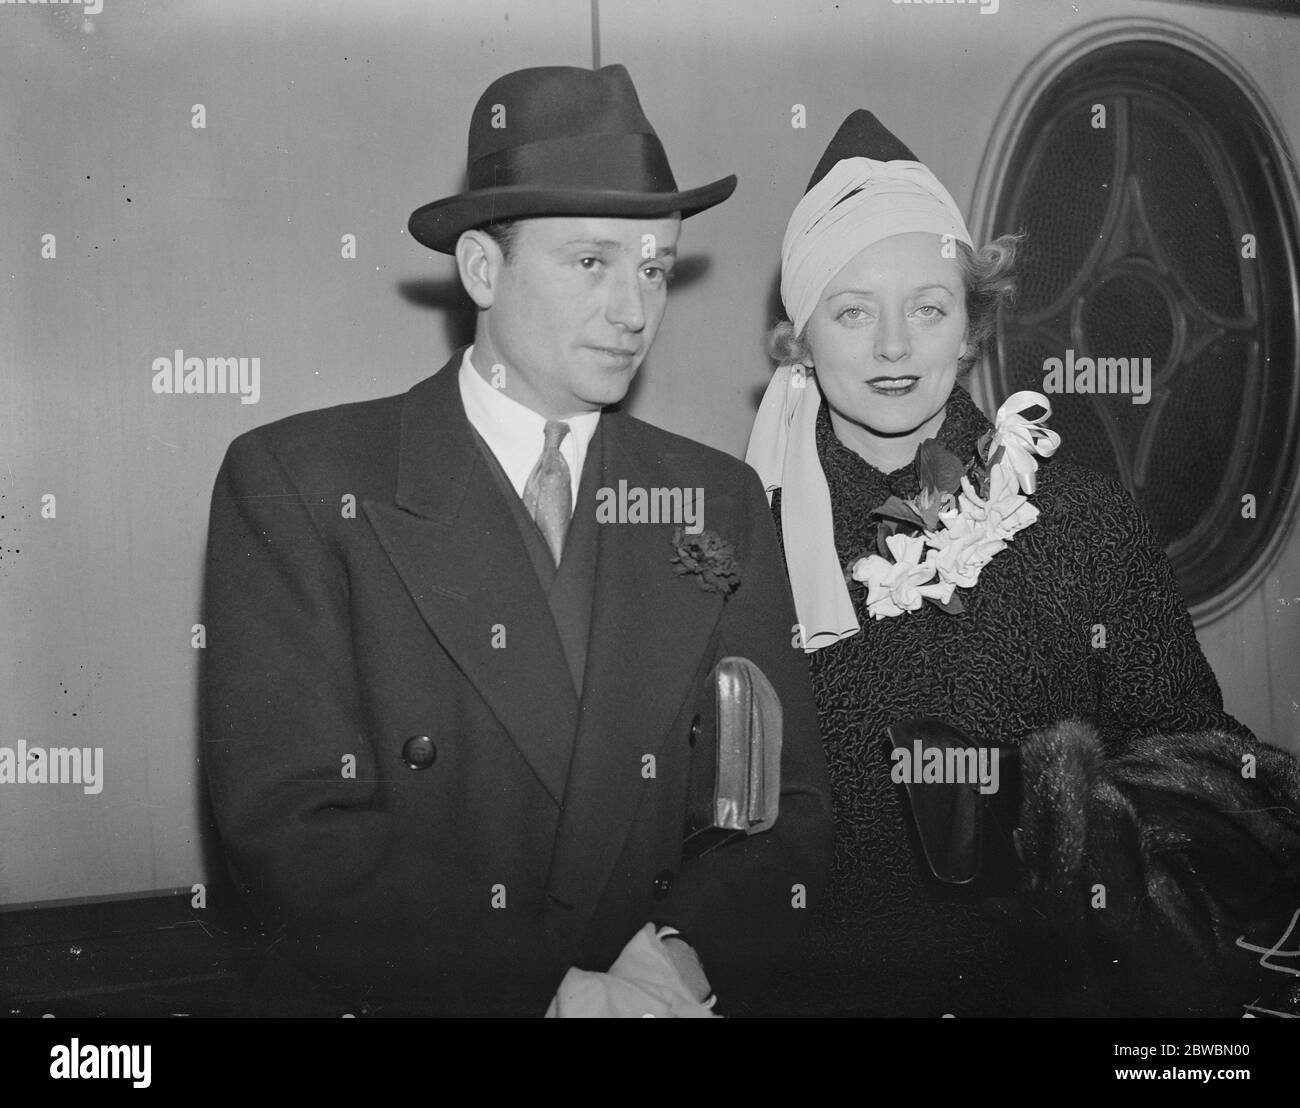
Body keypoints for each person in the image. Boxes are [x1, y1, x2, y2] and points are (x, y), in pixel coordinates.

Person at [201, 64, 832, 1017]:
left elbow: (784, 805)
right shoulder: (304, 483)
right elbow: (291, 827)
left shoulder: (718, 497)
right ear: (482, 269)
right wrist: (543, 991)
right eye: (591, 262)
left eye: (654, 267)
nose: (634, 311)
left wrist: (679, 960)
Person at [746, 110, 1300, 1017]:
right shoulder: (745, 546)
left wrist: (1070, 818)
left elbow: (1213, 774)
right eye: (852, 312)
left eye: (927, 307)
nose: (894, 347)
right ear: (801, 338)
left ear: (970, 328)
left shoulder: (1081, 520)